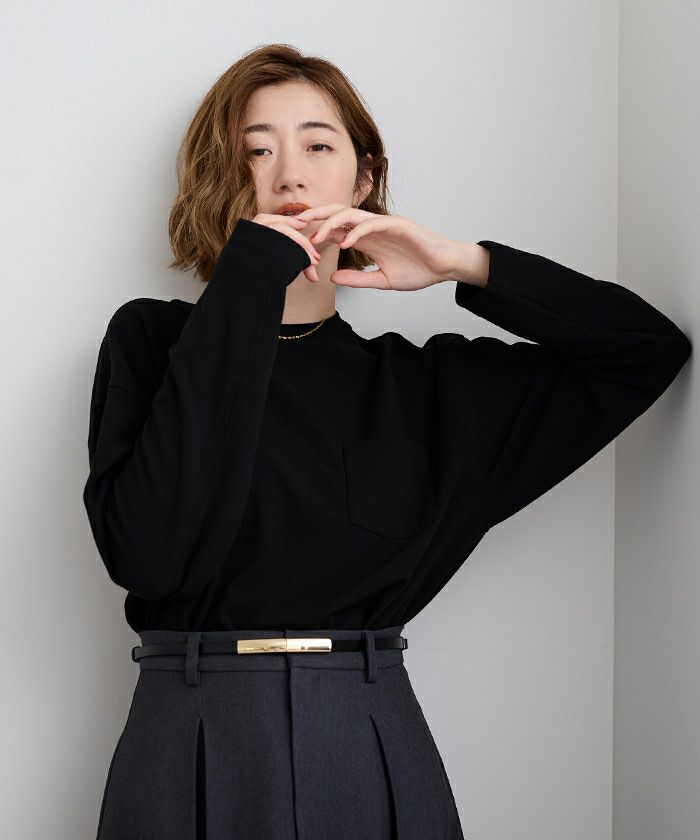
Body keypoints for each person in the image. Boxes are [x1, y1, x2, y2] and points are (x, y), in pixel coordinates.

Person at [82, 43, 692, 840]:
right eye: (255, 151)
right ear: (219, 179)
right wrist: (250, 276)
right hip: (188, 732)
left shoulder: (426, 390)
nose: (289, 176)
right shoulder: (152, 344)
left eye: (318, 146)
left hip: (367, 734)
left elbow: (645, 351)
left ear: (363, 179)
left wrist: (464, 264)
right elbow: (151, 556)